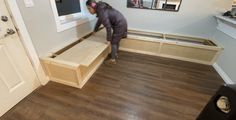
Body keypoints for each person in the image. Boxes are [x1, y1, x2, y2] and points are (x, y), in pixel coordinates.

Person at [86, 0, 128, 64]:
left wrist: (108, 39)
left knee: (113, 42)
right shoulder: (100, 9)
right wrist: (95, 30)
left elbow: (108, 27)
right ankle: (115, 54)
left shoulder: (101, 11)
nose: (89, 11)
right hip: (121, 22)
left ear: (93, 6)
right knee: (116, 40)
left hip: (120, 24)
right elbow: (99, 21)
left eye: (89, 8)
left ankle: (112, 60)